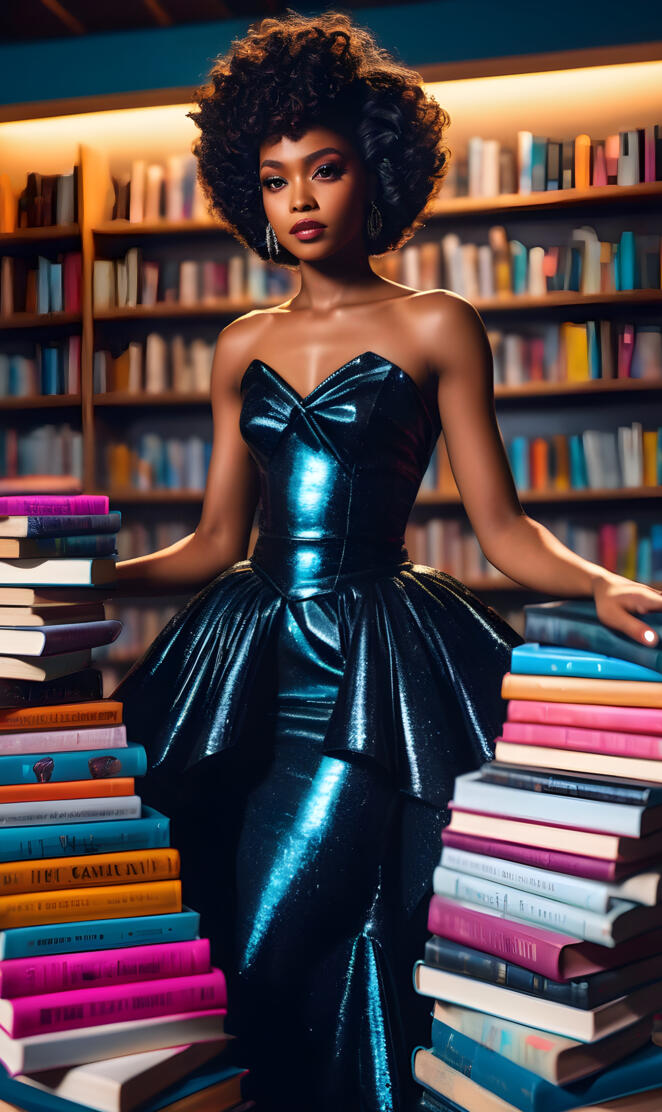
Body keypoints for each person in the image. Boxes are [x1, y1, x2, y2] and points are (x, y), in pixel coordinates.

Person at [111, 9, 662, 1111]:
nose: (299, 200)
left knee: (271, 945)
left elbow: (503, 530)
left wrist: (599, 581)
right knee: (235, 932)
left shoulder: (436, 324)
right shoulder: (237, 343)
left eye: (322, 169)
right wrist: (77, 580)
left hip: (368, 669)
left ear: (377, 171)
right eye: (272, 180)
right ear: (246, 194)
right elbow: (215, 542)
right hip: (246, 658)